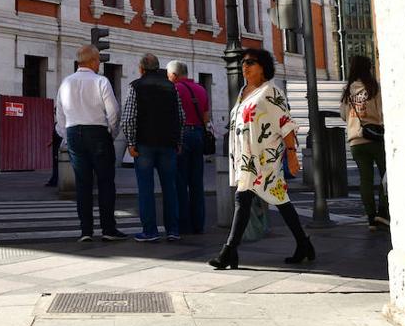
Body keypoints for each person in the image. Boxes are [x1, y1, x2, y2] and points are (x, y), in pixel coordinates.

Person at [210, 48, 313, 269]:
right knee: (278, 200)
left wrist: (292, 155)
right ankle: (303, 243)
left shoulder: (271, 92)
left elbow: (285, 125)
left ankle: (228, 251)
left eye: (251, 62)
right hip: (246, 157)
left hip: (264, 158)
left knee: (244, 199)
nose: (244, 66)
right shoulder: (244, 91)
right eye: (243, 62)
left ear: (263, 67)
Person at [55, 44, 126, 242]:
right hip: (97, 132)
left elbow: (59, 113)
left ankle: (85, 230)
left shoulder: (66, 82)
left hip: (73, 133)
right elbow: (113, 112)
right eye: (99, 61)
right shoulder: (101, 81)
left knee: (83, 183)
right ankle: (108, 228)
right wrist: (111, 133)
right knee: (105, 182)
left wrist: (65, 134)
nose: (99, 64)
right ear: (94, 61)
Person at [124, 54, 185, 242]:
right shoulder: (171, 87)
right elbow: (180, 117)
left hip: (144, 144)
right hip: (168, 144)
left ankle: (150, 231)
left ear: (142, 68)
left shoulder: (135, 86)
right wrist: (179, 141)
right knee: (170, 188)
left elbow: (129, 118)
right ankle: (173, 230)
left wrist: (130, 142)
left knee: (146, 188)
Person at [340, 55, 388, 231]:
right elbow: (383, 111)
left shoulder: (347, 90)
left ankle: (370, 218)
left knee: (365, 179)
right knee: (385, 175)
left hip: (356, 141)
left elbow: (344, 115)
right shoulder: (374, 87)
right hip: (375, 138)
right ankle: (382, 213)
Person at [167, 60, 210, 235]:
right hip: (199, 134)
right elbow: (206, 117)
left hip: (182, 135)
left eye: (169, 75)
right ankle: (199, 224)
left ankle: (184, 224)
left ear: (174, 75)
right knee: (196, 182)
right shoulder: (201, 89)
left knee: (180, 182)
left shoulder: (174, 89)